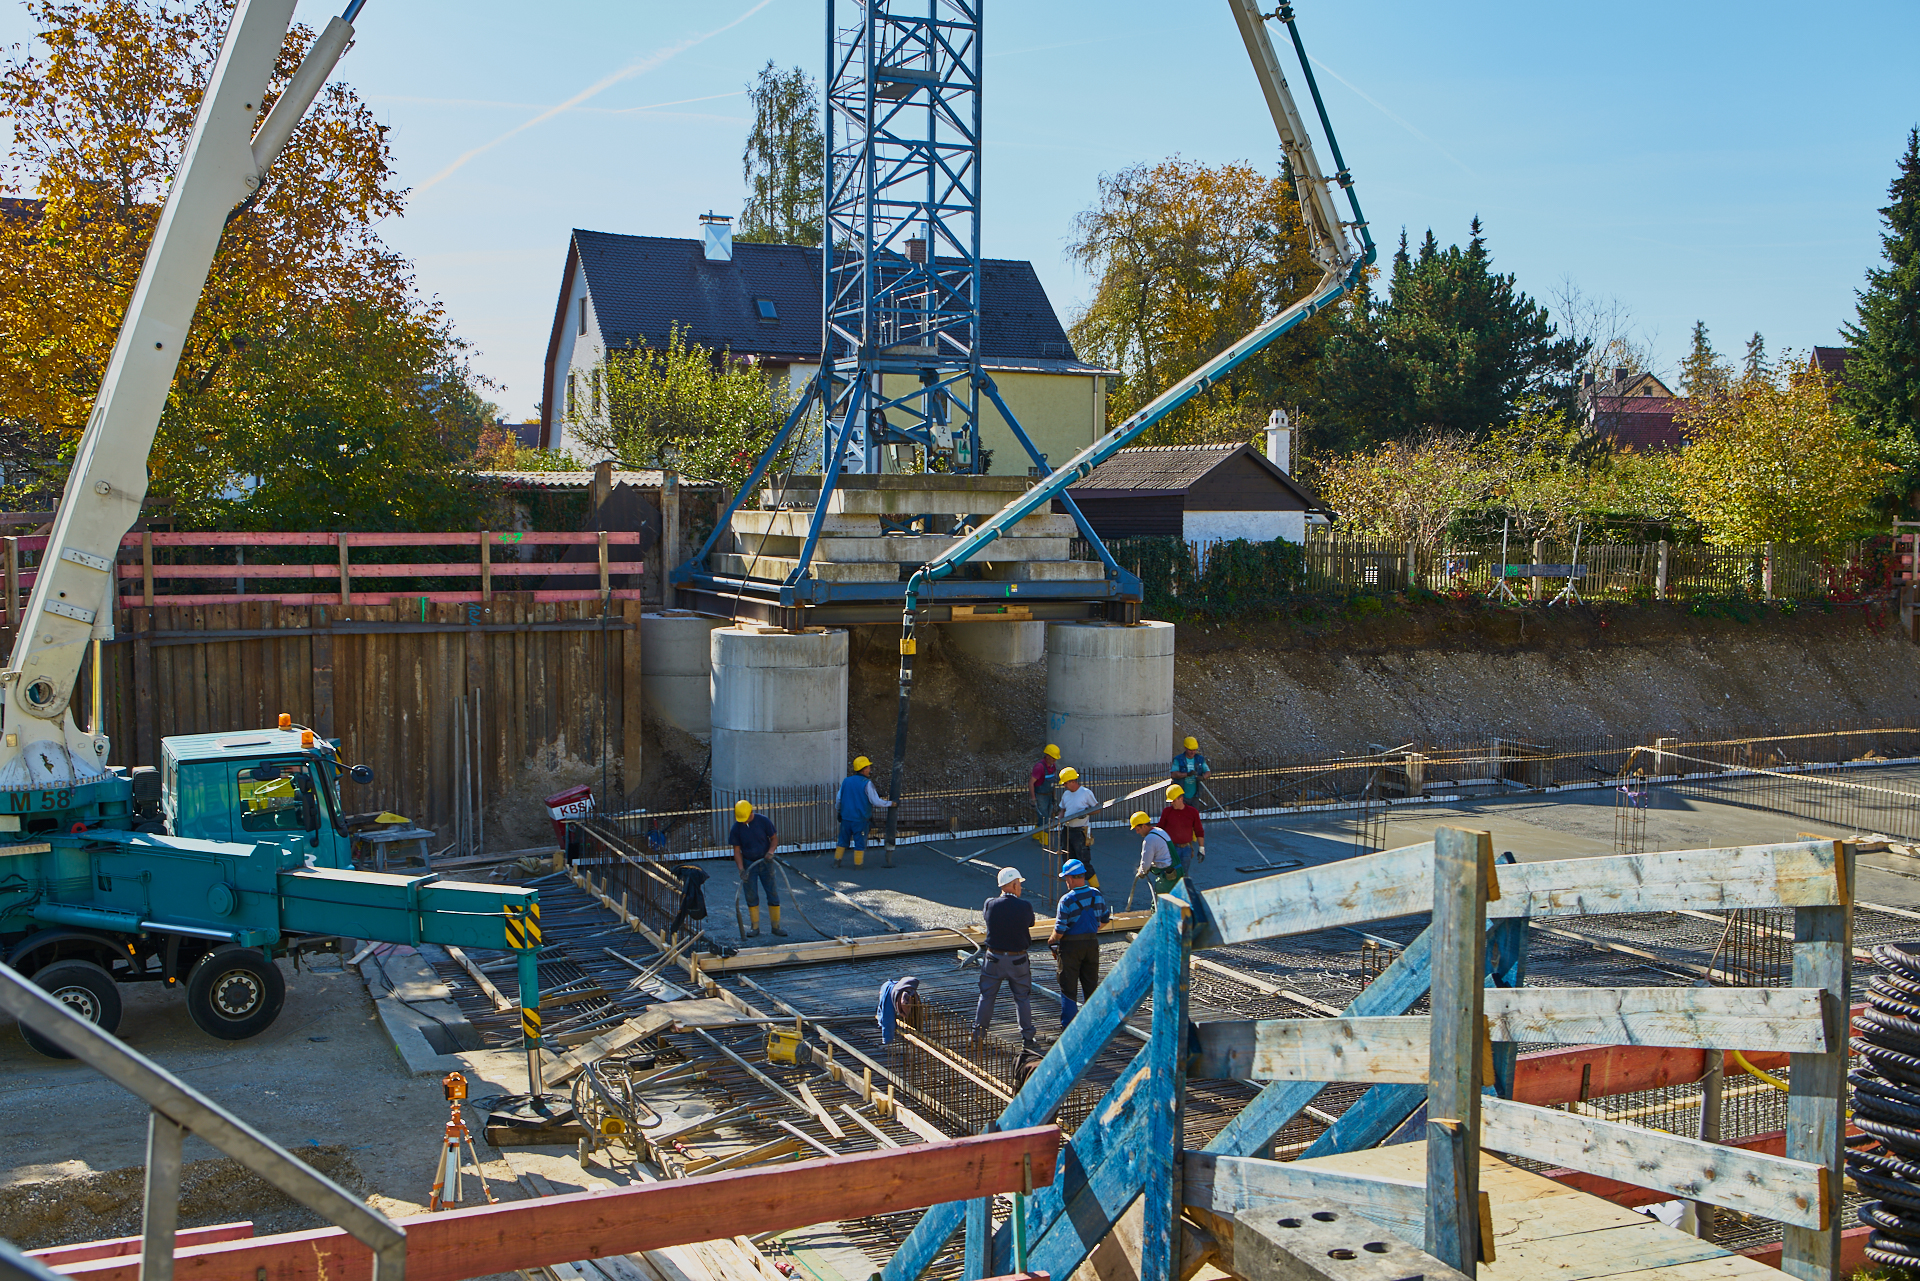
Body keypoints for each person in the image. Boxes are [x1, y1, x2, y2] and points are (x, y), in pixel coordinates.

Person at [974, 866, 1039, 1049]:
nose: (1021, 888)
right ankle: (1027, 1037)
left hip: (993, 959)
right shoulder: (1024, 906)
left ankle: (978, 1034)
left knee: (987, 996)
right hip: (1017, 961)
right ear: (1014, 884)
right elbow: (1031, 923)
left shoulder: (989, 904)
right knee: (1022, 998)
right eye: (1019, 884)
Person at [1048, 858, 1110, 1029]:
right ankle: (1093, 1024)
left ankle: (1069, 1026)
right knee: (1090, 984)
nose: (1066, 881)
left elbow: (1060, 931)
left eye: (1066, 878)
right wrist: (1091, 931)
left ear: (1071, 878)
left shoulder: (1066, 900)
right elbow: (1105, 919)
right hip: (1091, 945)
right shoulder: (1096, 894)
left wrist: (1051, 940)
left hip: (1071, 948)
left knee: (1068, 986)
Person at [729, 799, 786, 937]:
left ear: (751, 812)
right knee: (751, 895)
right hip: (749, 864)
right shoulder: (736, 828)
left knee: (772, 893)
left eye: (746, 817)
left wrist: (771, 852)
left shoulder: (763, 821)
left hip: (766, 862)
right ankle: (755, 927)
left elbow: (774, 838)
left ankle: (776, 926)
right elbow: (737, 851)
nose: (744, 821)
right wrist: (741, 869)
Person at [835, 755, 894, 869]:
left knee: (842, 840)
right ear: (863, 768)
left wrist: (839, 812)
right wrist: (891, 803)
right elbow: (876, 801)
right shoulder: (867, 783)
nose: (870, 769)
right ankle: (858, 865)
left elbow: (839, 799)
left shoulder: (846, 781)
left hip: (846, 818)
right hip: (860, 819)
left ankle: (836, 862)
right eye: (868, 767)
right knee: (859, 841)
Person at [1056, 767, 1100, 886]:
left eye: (1065, 783)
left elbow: (1097, 809)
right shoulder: (1066, 794)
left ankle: (1095, 887)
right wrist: (1060, 817)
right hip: (1067, 830)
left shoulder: (1086, 793)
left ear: (1072, 781)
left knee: (1083, 860)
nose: (1064, 785)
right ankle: (1074, 886)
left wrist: (1085, 812)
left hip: (1080, 831)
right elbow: (1063, 809)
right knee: (1068, 859)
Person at [1157, 784, 1205, 870]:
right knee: (1171, 876)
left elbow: (1199, 831)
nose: (1172, 803)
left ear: (1181, 799)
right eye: (1171, 801)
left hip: (1186, 849)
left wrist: (1201, 849)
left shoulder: (1192, 812)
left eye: (1173, 801)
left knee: (1183, 875)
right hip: (1171, 849)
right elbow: (1160, 829)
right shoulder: (1167, 812)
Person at [1133, 810, 1180, 896]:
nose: (1137, 832)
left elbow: (1146, 863)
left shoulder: (1149, 839)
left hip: (1168, 877)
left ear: (1144, 826)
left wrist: (1141, 872)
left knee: (1158, 904)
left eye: (1138, 829)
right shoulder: (1159, 831)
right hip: (1178, 872)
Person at [1029, 744, 1061, 846]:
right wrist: (1033, 798)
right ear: (1047, 756)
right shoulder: (1039, 767)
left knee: (1044, 816)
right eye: (1053, 758)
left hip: (1049, 794)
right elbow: (1031, 783)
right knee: (1045, 818)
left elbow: (1052, 783)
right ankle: (1045, 840)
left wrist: (1054, 796)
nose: (1055, 760)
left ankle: (1036, 834)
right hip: (1041, 796)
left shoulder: (1053, 766)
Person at [1170, 735, 1210, 803]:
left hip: (1195, 795)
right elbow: (1173, 774)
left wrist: (1203, 777)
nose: (1192, 752)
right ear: (1185, 748)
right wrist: (1187, 774)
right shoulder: (1178, 759)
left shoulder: (1200, 759)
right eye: (1190, 750)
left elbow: (1208, 772)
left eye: (1194, 750)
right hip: (1181, 796)